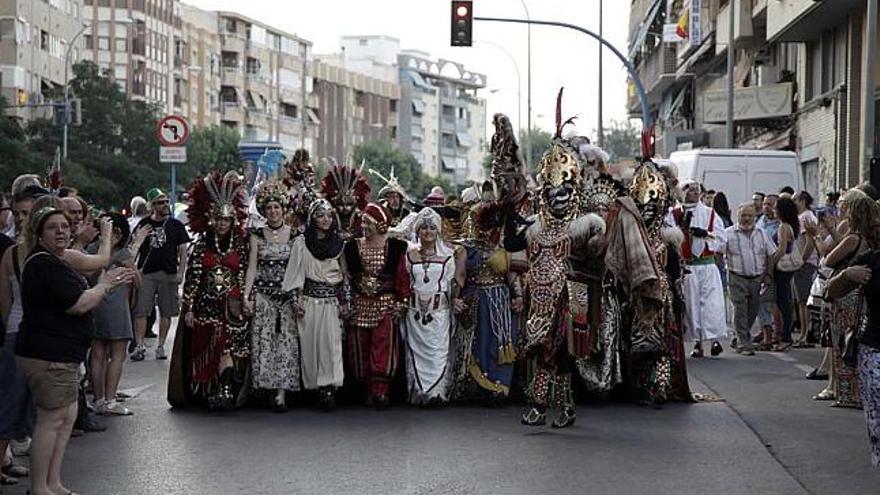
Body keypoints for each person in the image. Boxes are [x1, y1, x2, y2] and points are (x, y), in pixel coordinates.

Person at [15, 206, 134, 495]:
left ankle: (53, 482)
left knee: (66, 417)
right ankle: (40, 486)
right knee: (51, 419)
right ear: (39, 235)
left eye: (65, 227)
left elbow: (98, 261)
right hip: (48, 355)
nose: (61, 231)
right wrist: (105, 285)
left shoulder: (59, 258)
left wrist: (105, 237)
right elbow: (79, 303)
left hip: (64, 355)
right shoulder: (43, 263)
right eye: (52, 227)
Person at [168, 172, 250, 410]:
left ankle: (226, 391)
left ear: (233, 220)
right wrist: (190, 307)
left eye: (227, 220)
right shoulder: (202, 243)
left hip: (232, 305)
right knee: (207, 347)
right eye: (219, 219)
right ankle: (210, 391)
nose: (223, 224)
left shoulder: (240, 244)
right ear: (212, 219)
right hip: (206, 304)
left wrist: (245, 300)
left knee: (228, 347)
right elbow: (194, 276)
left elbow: (244, 274)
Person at [825, 197, 880, 468]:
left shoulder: (861, 246)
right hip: (874, 350)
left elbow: (828, 257)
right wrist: (848, 275)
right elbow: (831, 290)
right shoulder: (871, 260)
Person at [810, 191, 875, 406]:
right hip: (860, 294)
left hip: (845, 293)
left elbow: (828, 260)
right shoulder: (868, 238)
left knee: (841, 342)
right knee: (853, 341)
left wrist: (819, 240)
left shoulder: (853, 238)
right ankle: (854, 392)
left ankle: (846, 393)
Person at [282, 199, 347, 410]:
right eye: (321, 215)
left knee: (330, 346)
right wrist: (295, 300)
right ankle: (313, 388)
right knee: (310, 347)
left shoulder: (339, 244)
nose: (326, 219)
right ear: (313, 218)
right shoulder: (302, 243)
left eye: (329, 215)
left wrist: (346, 302)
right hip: (309, 301)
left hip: (330, 303)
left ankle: (328, 389)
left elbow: (345, 277)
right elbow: (294, 274)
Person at [343, 202, 409, 408]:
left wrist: (402, 301)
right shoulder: (352, 247)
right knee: (360, 347)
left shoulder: (396, 247)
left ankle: (380, 391)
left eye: (368, 222)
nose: (364, 226)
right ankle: (366, 389)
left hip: (384, 305)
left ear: (381, 224)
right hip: (360, 304)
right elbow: (347, 278)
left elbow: (402, 278)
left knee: (383, 347)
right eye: (363, 221)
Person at [243, 180, 301, 412]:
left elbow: (298, 270)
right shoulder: (256, 235)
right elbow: (252, 267)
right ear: (263, 211)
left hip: (287, 298)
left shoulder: (295, 234)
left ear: (283, 209)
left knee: (286, 345)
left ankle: (281, 393)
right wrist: (247, 295)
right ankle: (265, 388)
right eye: (269, 208)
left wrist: (298, 297)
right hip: (264, 296)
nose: (273, 211)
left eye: (277, 207)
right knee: (264, 344)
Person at [401, 207, 462, 406]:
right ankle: (420, 392)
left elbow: (452, 285)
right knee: (416, 353)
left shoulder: (447, 257)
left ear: (438, 231)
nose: (428, 232)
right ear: (418, 231)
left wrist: (455, 302)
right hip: (415, 314)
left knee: (438, 351)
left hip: (439, 314)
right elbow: (405, 283)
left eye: (432, 228)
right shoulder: (409, 256)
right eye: (424, 228)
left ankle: (437, 393)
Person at [89, 213, 144, 416]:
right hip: (116, 307)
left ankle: (99, 398)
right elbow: (138, 281)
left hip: (94, 304)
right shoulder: (122, 254)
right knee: (118, 355)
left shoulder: (92, 250)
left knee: (97, 354)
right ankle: (111, 399)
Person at [131, 187, 190, 361]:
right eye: (159, 202)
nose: (164, 205)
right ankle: (140, 345)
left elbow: (183, 250)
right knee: (141, 310)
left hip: (169, 273)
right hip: (147, 273)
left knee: (167, 311)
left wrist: (181, 272)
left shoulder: (176, 225)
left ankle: (161, 346)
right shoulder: (144, 224)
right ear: (152, 206)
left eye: (165, 202)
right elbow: (135, 249)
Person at [672, 181, 728, 357]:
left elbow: (721, 239)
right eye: (690, 189)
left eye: (697, 190)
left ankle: (714, 340)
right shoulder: (674, 214)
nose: (695, 192)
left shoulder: (710, 213)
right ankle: (698, 343)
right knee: (692, 305)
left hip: (707, 265)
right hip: (688, 268)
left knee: (711, 304)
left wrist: (705, 236)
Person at [719, 204, 776, 356]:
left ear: (754, 217)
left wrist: (768, 274)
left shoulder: (761, 233)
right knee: (740, 310)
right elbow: (718, 252)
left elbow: (770, 254)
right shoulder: (728, 233)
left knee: (753, 309)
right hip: (736, 277)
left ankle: (740, 337)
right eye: (743, 215)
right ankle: (745, 343)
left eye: (749, 216)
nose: (746, 219)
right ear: (738, 216)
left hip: (757, 278)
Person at [769, 196, 802, 351]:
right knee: (784, 299)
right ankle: (783, 334)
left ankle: (785, 336)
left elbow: (781, 249)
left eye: (776, 208)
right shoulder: (791, 226)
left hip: (781, 267)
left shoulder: (783, 227)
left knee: (783, 301)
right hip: (786, 268)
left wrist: (770, 264)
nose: (773, 211)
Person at [793, 191, 819, 347]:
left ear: (802, 200)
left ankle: (805, 334)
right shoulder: (803, 217)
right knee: (801, 301)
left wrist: (801, 260)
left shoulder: (805, 218)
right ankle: (803, 333)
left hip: (805, 263)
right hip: (803, 262)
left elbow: (809, 242)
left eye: (795, 200)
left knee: (803, 301)